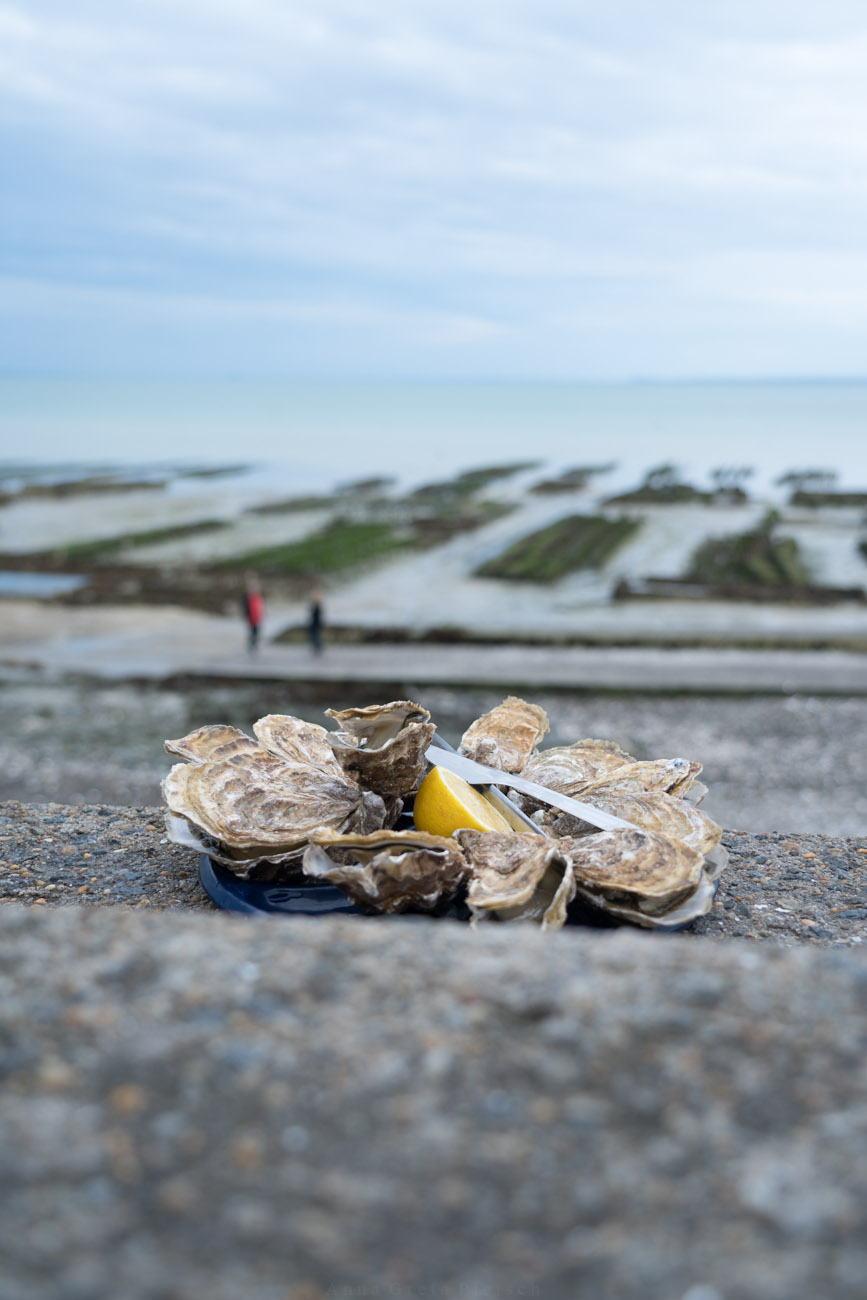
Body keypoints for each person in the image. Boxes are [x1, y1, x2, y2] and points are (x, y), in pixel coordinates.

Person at [242, 576, 264, 652]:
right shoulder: (247, 598)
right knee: (252, 633)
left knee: (257, 633)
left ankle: (255, 647)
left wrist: (261, 616)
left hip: (257, 618)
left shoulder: (258, 597)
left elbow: (260, 608)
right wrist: (247, 617)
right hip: (251, 618)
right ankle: (251, 647)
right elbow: (245, 609)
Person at [307, 585, 324, 655]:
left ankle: (317, 647)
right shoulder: (318, 607)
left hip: (315, 623)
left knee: (315, 635)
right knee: (316, 635)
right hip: (316, 623)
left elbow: (315, 617)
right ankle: (317, 647)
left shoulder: (316, 607)